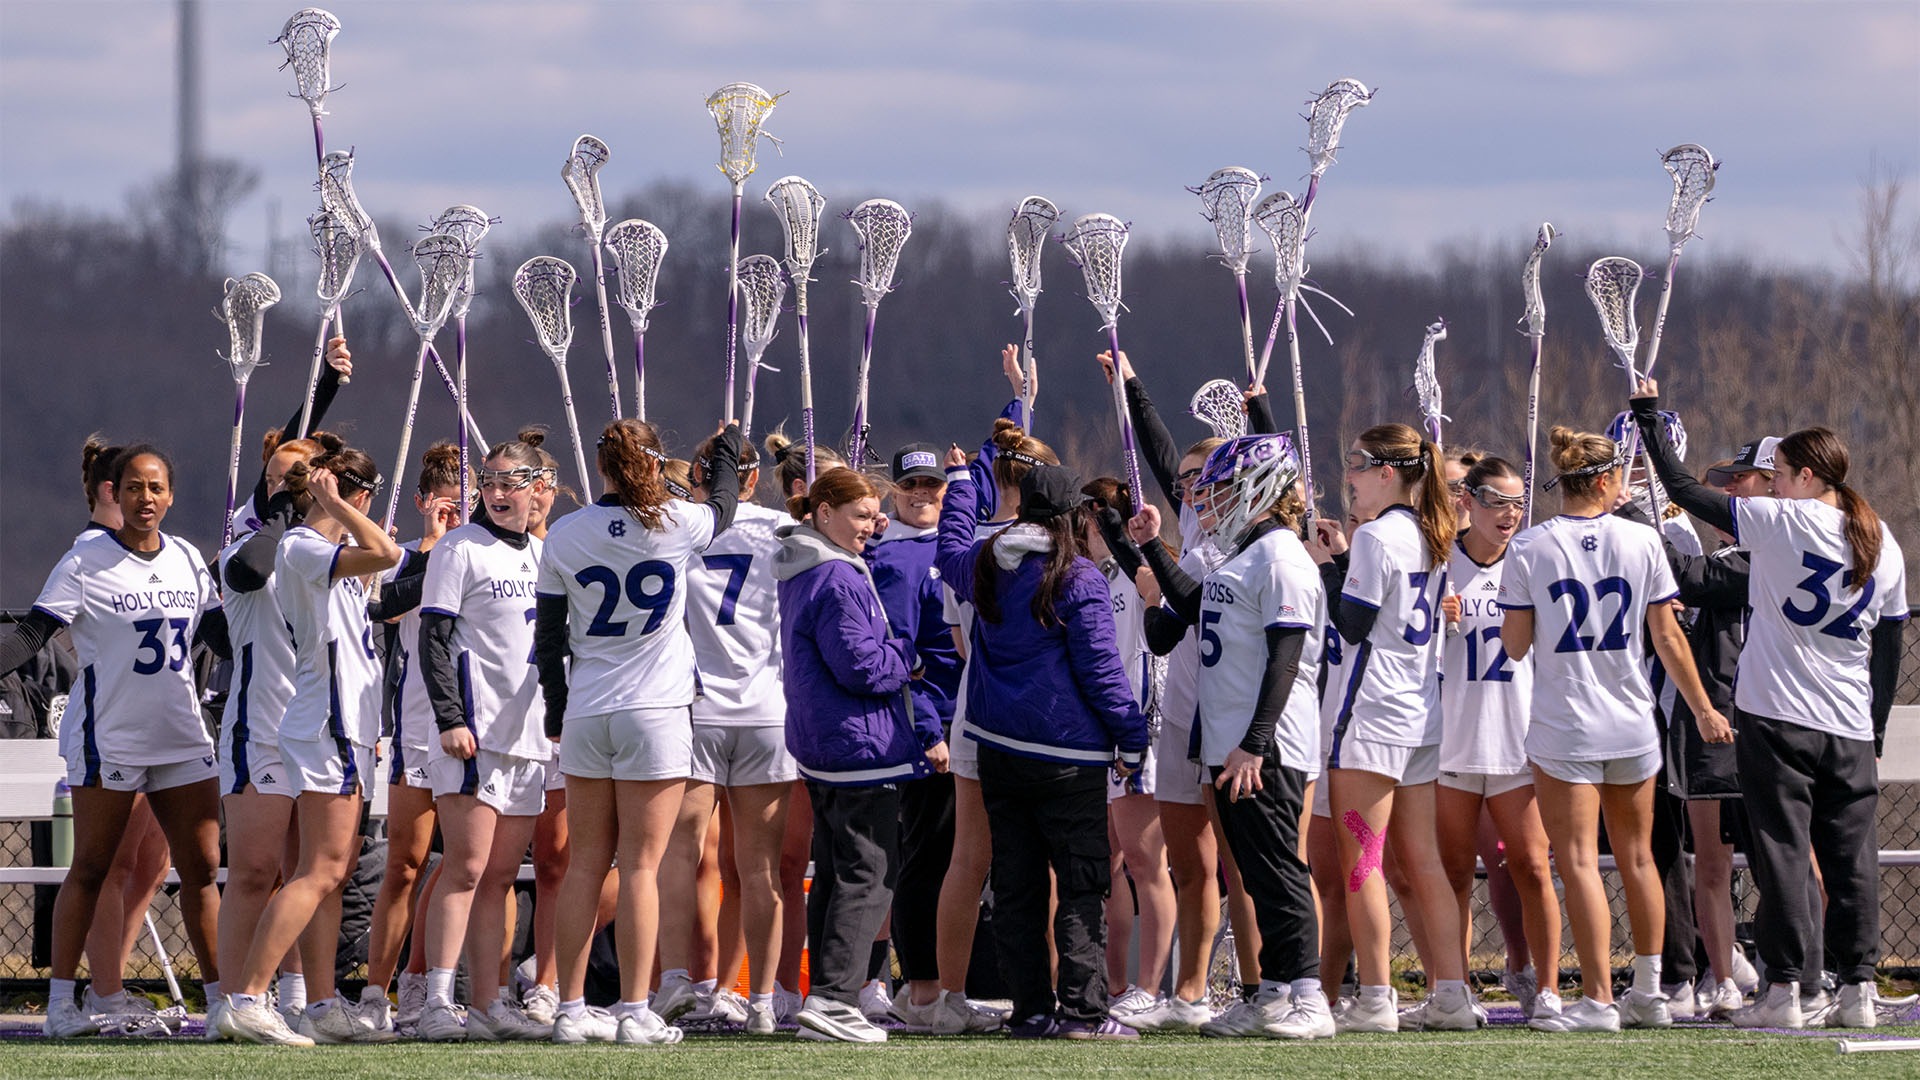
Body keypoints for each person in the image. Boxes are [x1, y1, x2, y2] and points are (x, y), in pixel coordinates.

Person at [1632, 383, 1907, 1030]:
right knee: (1851, 860)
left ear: (1808, 475)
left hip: (1780, 717)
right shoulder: (1881, 538)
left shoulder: (1783, 519)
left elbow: (1682, 489)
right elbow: (1890, 645)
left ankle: (1784, 988)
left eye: (1780, 475)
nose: (1774, 486)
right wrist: (1876, 730)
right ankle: (1857, 990)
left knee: (1781, 853)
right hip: (1848, 723)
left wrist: (1647, 419)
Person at [1498, 424, 1732, 1033]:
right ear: (1605, 481)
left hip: (1565, 725)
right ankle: (1652, 991)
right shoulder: (1642, 542)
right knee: (1640, 858)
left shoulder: (1530, 548)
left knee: (1577, 860)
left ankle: (1599, 998)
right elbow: (1667, 635)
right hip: (1632, 721)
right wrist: (1704, 707)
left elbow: (1517, 647)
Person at [0, 445, 229, 1039]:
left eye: (155, 487)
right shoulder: (86, 560)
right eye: (133, 487)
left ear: (170, 496)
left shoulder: (184, 558)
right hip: (111, 739)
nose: (145, 498)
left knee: (201, 868)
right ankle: (61, 1007)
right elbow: (31, 634)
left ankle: (223, 1002)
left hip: (180, 736)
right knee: (95, 866)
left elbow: (220, 638)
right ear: (115, 494)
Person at [534, 419, 744, 1045]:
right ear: (653, 464)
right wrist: (727, 447)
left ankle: (569, 1008)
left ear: (600, 468)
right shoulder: (675, 522)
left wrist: (555, 711)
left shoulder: (564, 534)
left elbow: (547, 643)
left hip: (587, 711)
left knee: (584, 867)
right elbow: (726, 505)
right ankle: (632, 1009)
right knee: (642, 867)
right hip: (654, 712)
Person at [1128, 434, 1333, 1039]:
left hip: (1261, 744)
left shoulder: (1281, 558)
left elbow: (1287, 659)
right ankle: (1271, 990)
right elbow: (1183, 609)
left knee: (1278, 868)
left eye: (1221, 488)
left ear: (1259, 490)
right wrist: (1140, 545)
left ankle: (1309, 994)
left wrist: (1256, 741)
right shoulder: (1242, 555)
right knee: (1253, 867)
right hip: (1228, 741)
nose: (1208, 501)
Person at [936, 454, 1147, 1041]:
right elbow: (1102, 671)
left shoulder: (985, 564)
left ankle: (1030, 1009)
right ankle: (1082, 1013)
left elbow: (948, 545)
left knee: (1017, 884)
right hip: (1068, 756)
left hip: (999, 750)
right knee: (1081, 884)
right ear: (1073, 516)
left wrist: (960, 485)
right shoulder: (1077, 577)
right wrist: (1132, 737)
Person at [220, 440, 403, 1045]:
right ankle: (246, 997)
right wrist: (341, 508)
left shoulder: (327, 552)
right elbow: (386, 550)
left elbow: (392, 570)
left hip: (338, 721)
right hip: (330, 721)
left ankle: (320, 1005)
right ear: (357, 495)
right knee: (320, 871)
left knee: (325, 871)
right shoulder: (303, 547)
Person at [1302, 423, 1469, 1033]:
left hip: (1372, 713)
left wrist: (1328, 565)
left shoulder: (1377, 536)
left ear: (1384, 471)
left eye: (1353, 464)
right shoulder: (1431, 531)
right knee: (1421, 859)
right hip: (1420, 711)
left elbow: (1351, 624)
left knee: (1363, 861)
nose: (1347, 476)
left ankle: (1375, 996)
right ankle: (1452, 993)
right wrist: (1345, 557)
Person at [775, 466, 949, 1043]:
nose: (872, 526)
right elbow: (863, 665)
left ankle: (828, 995)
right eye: (860, 515)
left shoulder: (810, 568)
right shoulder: (833, 575)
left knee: (835, 873)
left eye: (875, 515)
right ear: (823, 513)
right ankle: (835, 998)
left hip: (828, 743)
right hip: (857, 745)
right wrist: (908, 655)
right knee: (868, 876)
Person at [413, 440, 558, 1041]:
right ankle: (437, 1001)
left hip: (528, 737)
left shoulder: (545, 556)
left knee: (500, 876)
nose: (499, 495)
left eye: (511, 483)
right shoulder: (459, 548)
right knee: (465, 868)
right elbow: (434, 639)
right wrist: (450, 717)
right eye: (490, 483)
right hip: (475, 732)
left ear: (536, 486)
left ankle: (488, 1000)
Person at [659, 434, 796, 1035]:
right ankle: (757, 998)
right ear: (751, 479)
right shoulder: (784, 528)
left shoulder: (677, 523)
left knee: (680, 855)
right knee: (757, 865)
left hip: (694, 708)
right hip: (766, 710)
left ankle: (674, 982)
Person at [211, 432, 337, 1038]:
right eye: (283, 476)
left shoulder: (324, 547)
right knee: (257, 871)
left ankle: (313, 1002)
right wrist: (283, 509)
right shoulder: (248, 539)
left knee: (311, 870)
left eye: (305, 475)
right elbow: (252, 570)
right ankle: (232, 1002)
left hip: (315, 729)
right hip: (260, 726)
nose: (295, 483)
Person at [1434, 456, 1557, 1020]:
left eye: (1517, 503)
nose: (1510, 515)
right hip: (1453, 739)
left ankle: (1547, 986)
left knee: (1531, 865)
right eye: (1496, 502)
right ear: (1467, 501)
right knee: (1455, 871)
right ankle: (1453, 989)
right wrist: (1436, 617)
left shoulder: (1531, 562)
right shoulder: (1439, 563)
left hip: (1516, 740)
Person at [363, 441, 468, 1030]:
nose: (458, 514)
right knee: (407, 861)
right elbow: (387, 608)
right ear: (425, 502)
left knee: (464, 861)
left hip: (475, 724)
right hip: (419, 724)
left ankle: (430, 986)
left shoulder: (484, 552)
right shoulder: (402, 556)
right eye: (446, 504)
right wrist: (430, 545)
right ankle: (378, 993)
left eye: (466, 504)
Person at [865, 442, 966, 1030]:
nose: (923, 495)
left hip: (971, 715)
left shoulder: (956, 542)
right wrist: (928, 728)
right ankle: (922, 988)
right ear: (894, 493)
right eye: (912, 488)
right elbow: (903, 658)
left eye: (933, 486)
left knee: (960, 856)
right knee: (928, 854)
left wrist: (1018, 401)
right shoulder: (894, 558)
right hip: (931, 725)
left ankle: (940, 986)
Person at [1080, 476, 1176, 1032]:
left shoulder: (1144, 568)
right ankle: (1114, 985)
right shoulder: (1092, 574)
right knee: (1109, 864)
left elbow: (1146, 657)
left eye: (1100, 516)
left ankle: (1149, 987)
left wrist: (1133, 736)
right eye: (1087, 517)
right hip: (1100, 733)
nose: (1090, 527)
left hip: (1140, 731)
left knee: (1146, 862)